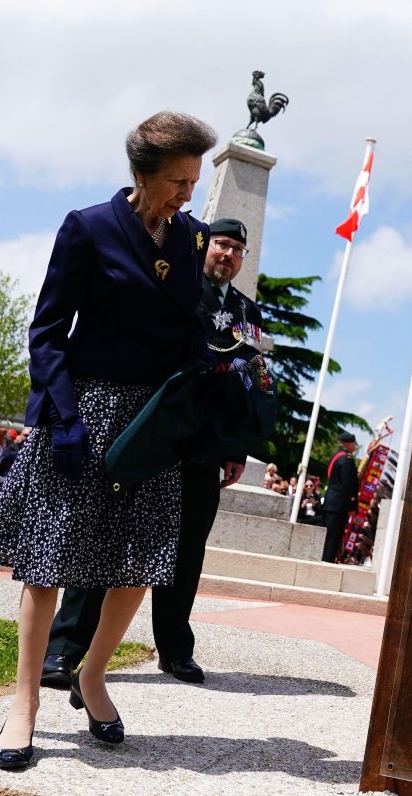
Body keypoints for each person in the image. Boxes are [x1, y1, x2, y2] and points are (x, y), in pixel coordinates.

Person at [0, 111, 216, 770]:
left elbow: (189, 328)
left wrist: (202, 400)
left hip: (150, 425)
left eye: (193, 180)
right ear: (139, 173)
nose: (187, 193)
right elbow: (47, 331)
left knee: (140, 561)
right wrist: (66, 419)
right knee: (49, 561)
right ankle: (23, 700)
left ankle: (92, 675)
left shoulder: (192, 239)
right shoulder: (88, 227)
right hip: (81, 409)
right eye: (175, 180)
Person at [40, 217, 266, 689]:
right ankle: (64, 649)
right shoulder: (178, 287)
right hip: (153, 429)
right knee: (105, 536)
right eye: (221, 245)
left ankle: (175, 649)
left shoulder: (248, 312)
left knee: (187, 551)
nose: (227, 255)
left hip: (204, 443)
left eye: (236, 250)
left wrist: (236, 447)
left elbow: (248, 381)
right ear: (205, 247)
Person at [321, 432, 359, 563]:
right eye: (354, 444)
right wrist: (352, 506)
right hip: (339, 505)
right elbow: (348, 485)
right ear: (348, 444)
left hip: (330, 502)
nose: (355, 446)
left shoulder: (336, 456)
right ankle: (326, 565)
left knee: (328, 538)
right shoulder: (346, 459)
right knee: (333, 540)